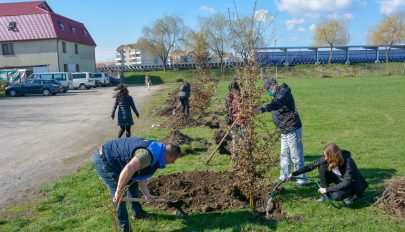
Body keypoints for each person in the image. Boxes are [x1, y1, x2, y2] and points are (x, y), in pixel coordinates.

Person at [93, 137, 181, 232]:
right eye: (174, 160)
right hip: (105, 159)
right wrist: (118, 192)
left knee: (133, 183)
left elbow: (140, 175)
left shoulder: (157, 150)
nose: (172, 163)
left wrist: (147, 194)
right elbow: (128, 169)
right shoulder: (147, 155)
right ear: (171, 156)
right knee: (119, 194)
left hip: (118, 160)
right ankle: (124, 228)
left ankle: (138, 212)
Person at [257, 77, 307, 188]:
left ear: (273, 84)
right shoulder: (277, 94)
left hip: (292, 128)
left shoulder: (283, 93)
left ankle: (301, 180)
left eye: (268, 89)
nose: (268, 91)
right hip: (284, 130)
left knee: (296, 155)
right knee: (284, 154)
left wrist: (263, 109)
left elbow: (277, 104)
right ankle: (283, 176)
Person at [287, 143, 368, 205]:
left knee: (335, 196)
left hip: (352, 185)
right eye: (324, 155)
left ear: (333, 156)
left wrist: (327, 189)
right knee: (322, 166)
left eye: (326, 156)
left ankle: (350, 196)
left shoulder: (348, 162)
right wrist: (293, 174)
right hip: (340, 180)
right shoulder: (327, 159)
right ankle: (325, 195)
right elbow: (311, 166)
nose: (325, 158)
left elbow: (347, 182)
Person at [224, 80, 245, 158]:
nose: (233, 91)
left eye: (234, 89)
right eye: (231, 90)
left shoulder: (243, 96)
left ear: (238, 89)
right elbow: (226, 110)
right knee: (234, 139)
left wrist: (243, 113)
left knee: (245, 138)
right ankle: (235, 156)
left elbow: (248, 108)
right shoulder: (228, 97)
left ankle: (246, 156)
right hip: (233, 121)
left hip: (243, 121)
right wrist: (228, 121)